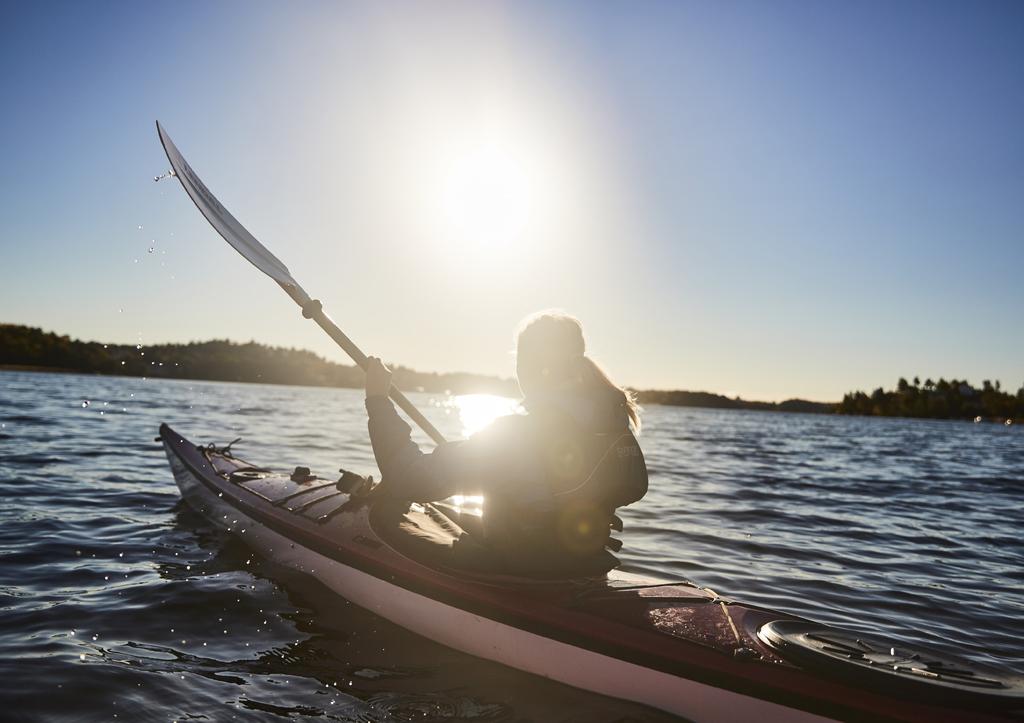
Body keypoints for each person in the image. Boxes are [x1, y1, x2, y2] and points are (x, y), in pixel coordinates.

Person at [364, 311, 648, 577]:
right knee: (446, 512)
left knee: (390, 507)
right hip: (583, 565)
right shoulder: (611, 425)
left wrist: (378, 401)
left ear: (528, 367)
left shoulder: (513, 433)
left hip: (521, 573)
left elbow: (408, 479)